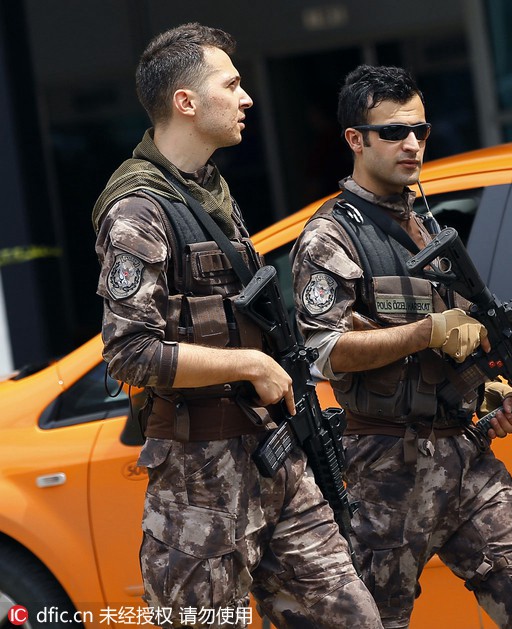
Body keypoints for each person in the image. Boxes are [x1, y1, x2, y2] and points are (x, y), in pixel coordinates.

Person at [92, 23, 382, 629]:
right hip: (199, 478)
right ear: (187, 102)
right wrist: (250, 364)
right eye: (232, 84)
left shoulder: (212, 194)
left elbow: (236, 317)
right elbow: (129, 351)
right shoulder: (139, 210)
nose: (247, 98)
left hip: (273, 456)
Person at [290, 64, 512, 629]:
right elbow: (323, 351)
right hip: (387, 468)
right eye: (394, 132)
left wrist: (489, 393)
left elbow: (459, 342)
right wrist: (428, 332)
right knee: (375, 620)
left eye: (420, 131)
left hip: (467, 455)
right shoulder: (332, 236)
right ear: (355, 139)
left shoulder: (426, 222)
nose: (412, 144)